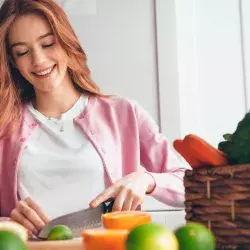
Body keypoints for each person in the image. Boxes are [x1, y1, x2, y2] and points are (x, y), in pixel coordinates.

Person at [0, 0, 190, 236]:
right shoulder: (4, 128)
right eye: (23, 52)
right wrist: (7, 222)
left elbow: (190, 186)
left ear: (66, 40)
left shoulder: (123, 113)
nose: (38, 60)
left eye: (48, 43)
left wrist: (147, 180)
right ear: (12, 61)